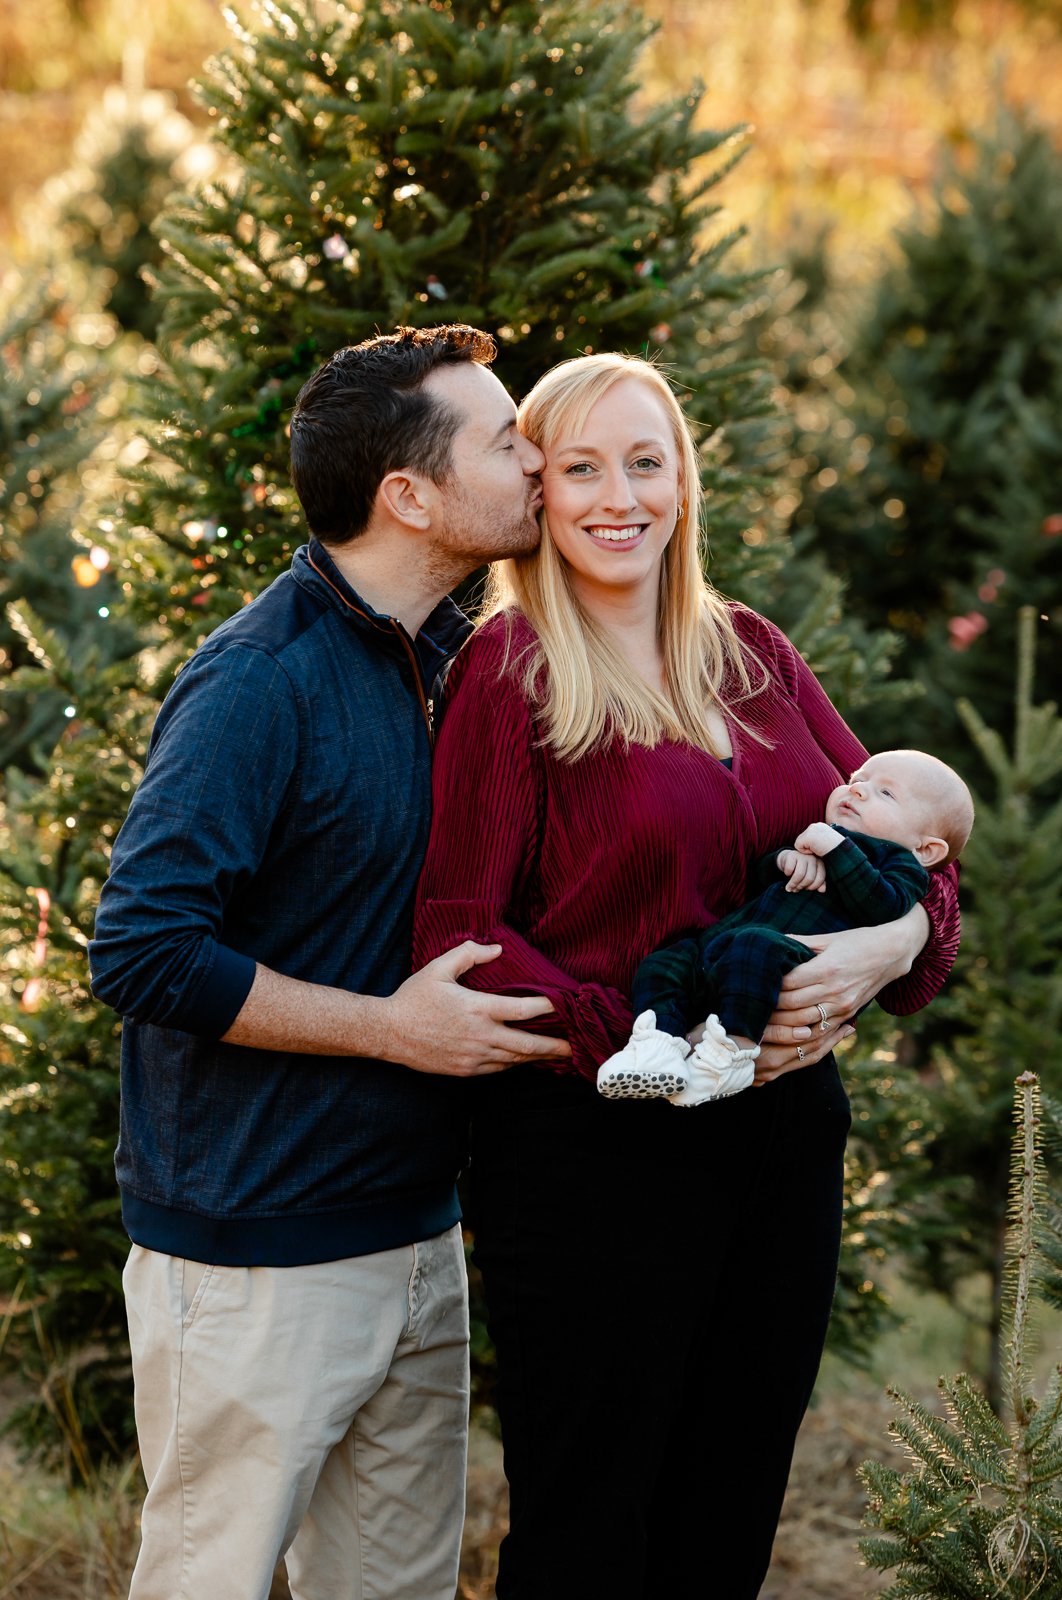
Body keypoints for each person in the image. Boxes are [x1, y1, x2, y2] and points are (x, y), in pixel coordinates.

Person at [412, 352, 960, 1599]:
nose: (619, 497)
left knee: (725, 1517)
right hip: (595, 1148)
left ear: (681, 484)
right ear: (540, 493)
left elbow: (915, 841)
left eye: (644, 463)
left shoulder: (753, 653)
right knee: (589, 1525)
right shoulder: (511, 673)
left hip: (780, 1149)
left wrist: (886, 946)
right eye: (584, 467)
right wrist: (659, 1030)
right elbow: (459, 930)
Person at [88, 324, 570, 1600]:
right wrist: (391, 1029)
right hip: (252, 1259)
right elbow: (141, 947)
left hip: (416, 1241)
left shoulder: (466, 661)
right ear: (406, 494)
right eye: (504, 438)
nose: (539, 460)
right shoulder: (259, 679)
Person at [598, 747, 973, 1106]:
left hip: (790, 955)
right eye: (856, 778)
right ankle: (656, 1045)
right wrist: (785, 860)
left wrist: (835, 849)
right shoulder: (818, 837)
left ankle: (731, 1052)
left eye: (885, 792)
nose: (856, 788)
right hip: (722, 948)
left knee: (755, 945)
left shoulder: (901, 866)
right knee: (667, 961)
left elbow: (883, 905)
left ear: (927, 851)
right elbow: (762, 883)